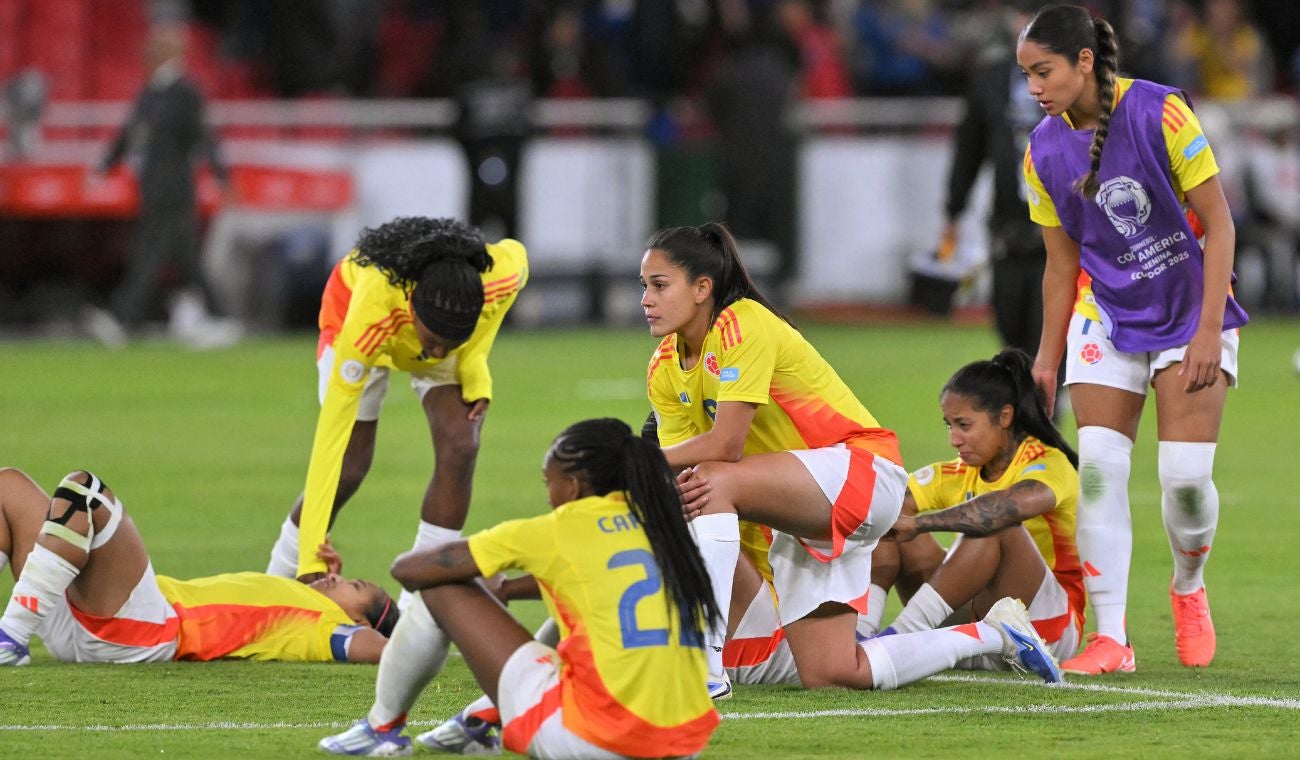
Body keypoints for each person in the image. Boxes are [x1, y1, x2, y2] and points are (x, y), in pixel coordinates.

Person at [642, 222, 1061, 693]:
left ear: (702, 288)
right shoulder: (663, 367)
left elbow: (725, 448)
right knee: (833, 672)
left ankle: (707, 665)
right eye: (645, 287)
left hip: (861, 470)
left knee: (712, 479)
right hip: (801, 511)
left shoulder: (742, 322)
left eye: (660, 285)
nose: (646, 299)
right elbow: (685, 472)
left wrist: (637, 459)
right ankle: (995, 634)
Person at [1018, 4, 1249, 674]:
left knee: (1183, 483)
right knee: (1096, 474)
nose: (1034, 86)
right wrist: (1046, 356)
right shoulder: (1041, 150)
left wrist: (1209, 331)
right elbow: (1061, 263)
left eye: (1044, 71)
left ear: (1084, 62)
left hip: (1188, 310)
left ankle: (1187, 586)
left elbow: (1221, 226)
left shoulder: (1161, 113)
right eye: (1027, 74)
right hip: (1108, 314)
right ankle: (1111, 636)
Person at [318, 418, 722, 758]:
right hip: (683, 743)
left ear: (575, 486)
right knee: (574, 610)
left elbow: (410, 571)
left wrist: (478, 580)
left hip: (600, 740)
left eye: (549, 481)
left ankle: (381, 728)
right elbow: (593, 583)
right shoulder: (658, 522)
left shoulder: (560, 528)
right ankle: (481, 720)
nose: (547, 495)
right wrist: (507, 590)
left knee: (440, 589)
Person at [263, 217, 528, 600]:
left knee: (461, 443)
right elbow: (329, 442)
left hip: (437, 325)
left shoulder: (498, 278)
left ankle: (420, 602)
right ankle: (274, 587)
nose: (438, 354)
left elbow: (516, 259)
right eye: (434, 342)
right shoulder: (371, 313)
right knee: (351, 465)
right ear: (413, 308)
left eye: (450, 344)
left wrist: (472, 362)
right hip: (352, 315)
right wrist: (310, 560)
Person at [0, 468, 395, 666]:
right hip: (86, 617)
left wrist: (419, 638)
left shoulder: (323, 625)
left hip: (142, 630)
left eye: (355, 585)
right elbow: (297, 524)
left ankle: (10, 636)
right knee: (9, 485)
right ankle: (12, 635)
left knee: (85, 490)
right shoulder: (288, 600)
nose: (338, 578)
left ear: (358, 620)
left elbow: (382, 650)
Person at [864, 349, 1084, 670]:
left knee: (995, 523)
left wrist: (923, 523)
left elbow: (1006, 508)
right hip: (976, 625)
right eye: (949, 425)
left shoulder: (1047, 462)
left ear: (1005, 417)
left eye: (964, 425)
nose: (954, 439)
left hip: (1047, 629)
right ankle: (862, 636)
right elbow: (883, 509)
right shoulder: (955, 472)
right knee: (888, 519)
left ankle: (899, 638)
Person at [92, 23, 234, 348]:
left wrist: (220, 175)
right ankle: (221, 316)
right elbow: (129, 133)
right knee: (181, 257)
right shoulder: (151, 92)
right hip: (152, 185)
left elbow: (203, 137)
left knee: (150, 253)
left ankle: (123, 316)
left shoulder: (186, 92)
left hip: (174, 188)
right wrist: (104, 165)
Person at [942, 1, 1051, 361]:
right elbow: (969, 150)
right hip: (1008, 230)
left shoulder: (1073, 78)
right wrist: (953, 210)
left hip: (1060, 234)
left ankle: (1049, 401)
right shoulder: (990, 79)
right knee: (1009, 328)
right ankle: (1030, 401)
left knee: (1047, 332)